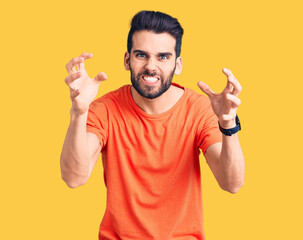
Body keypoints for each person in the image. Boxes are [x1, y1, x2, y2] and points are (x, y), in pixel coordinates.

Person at [60, 10, 245, 240]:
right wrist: (79, 112)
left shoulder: (198, 110)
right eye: (141, 55)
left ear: (177, 65)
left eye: (163, 57)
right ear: (127, 60)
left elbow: (232, 183)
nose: (151, 66)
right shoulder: (105, 109)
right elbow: (74, 177)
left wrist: (228, 124)